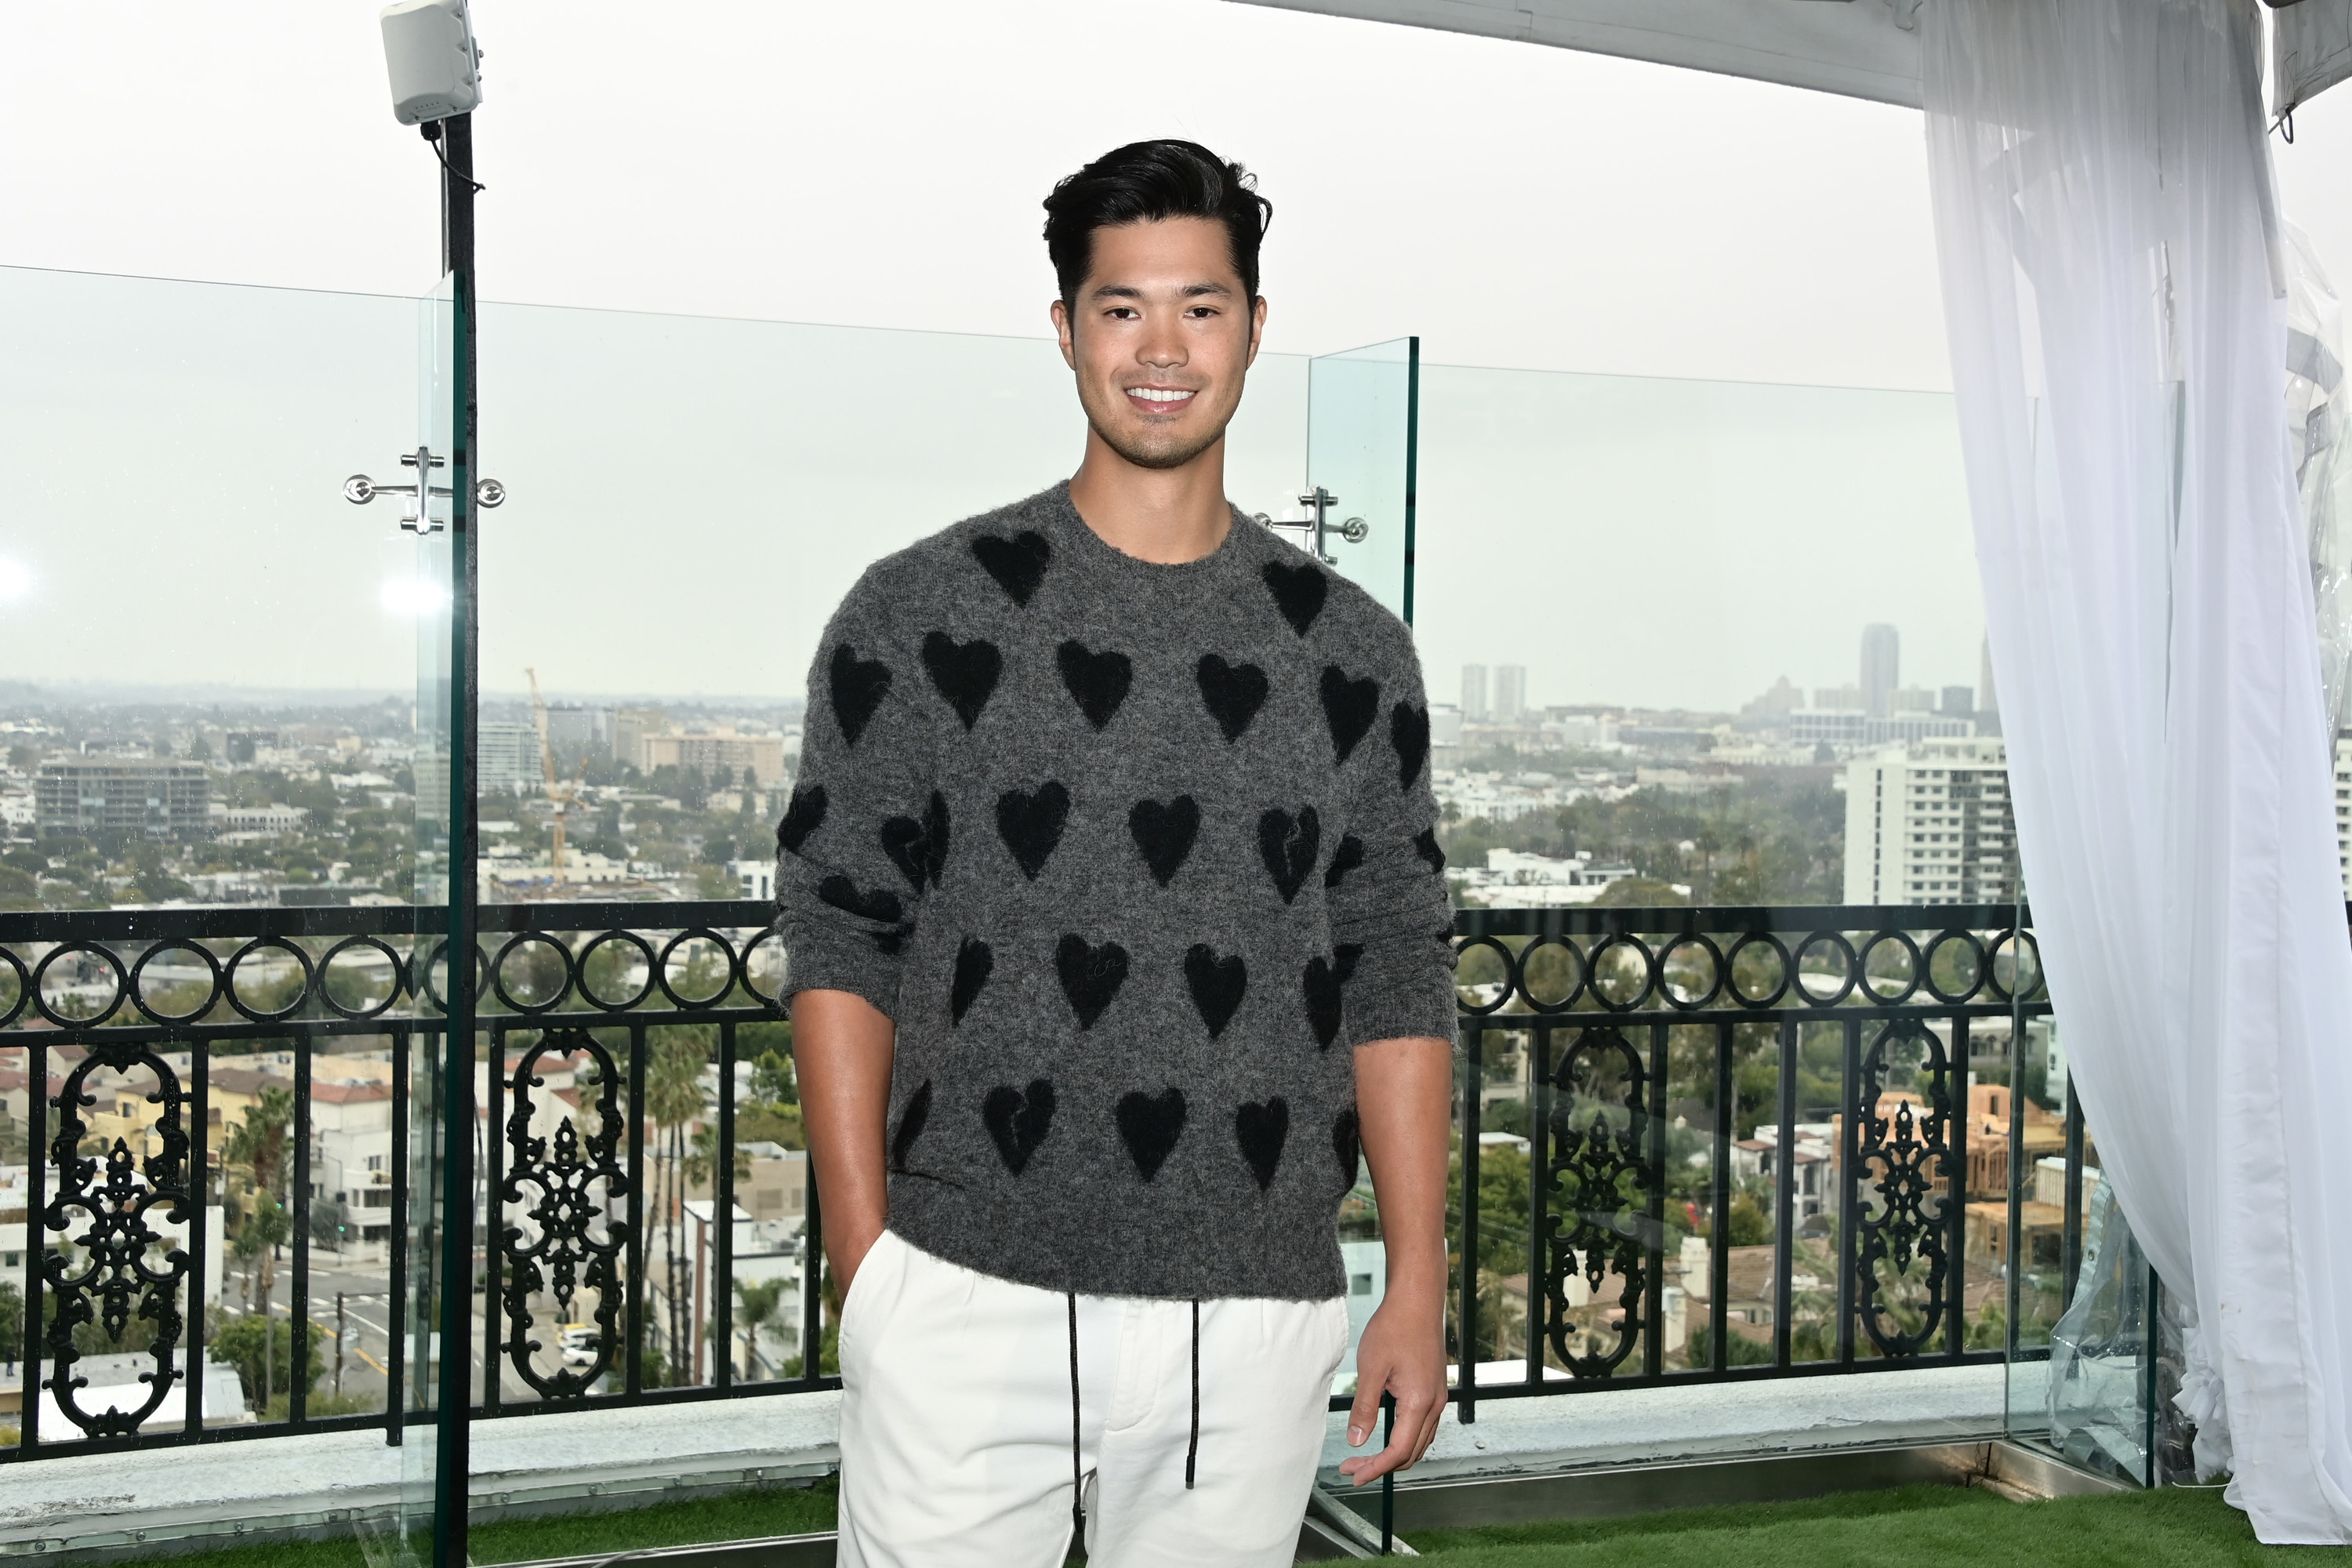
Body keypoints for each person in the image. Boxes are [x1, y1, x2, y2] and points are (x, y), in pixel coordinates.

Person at [778, 139, 1456, 1568]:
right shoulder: (919, 615)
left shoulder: (1350, 650)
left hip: (1258, 1310)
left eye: (1201, 307)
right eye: (1122, 307)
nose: (1162, 347)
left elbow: (1397, 964)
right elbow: (844, 929)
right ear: (1067, 328)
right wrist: (867, 1268)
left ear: (1256, 330)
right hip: (964, 1294)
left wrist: (1416, 1279)